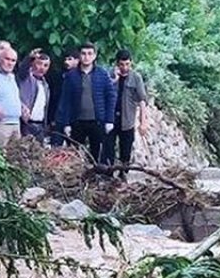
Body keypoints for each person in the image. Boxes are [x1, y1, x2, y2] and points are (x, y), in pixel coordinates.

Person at [54, 42, 116, 163]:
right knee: (75, 155)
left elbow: (111, 96)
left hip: (97, 121)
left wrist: (109, 120)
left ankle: (97, 179)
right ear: (79, 55)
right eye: (83, 53)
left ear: (94, 56)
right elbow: (65, 101)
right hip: (77, 122)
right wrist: (66, 123)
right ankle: (78, 180)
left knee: (97, 155)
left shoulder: (102, 74)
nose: (86, 57)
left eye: (89, 53)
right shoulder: (71, 76)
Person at [103, 49, 149, 180]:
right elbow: (103, 93)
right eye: (122, 64)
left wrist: (143, 122)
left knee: (126, 150)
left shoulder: (136, 78)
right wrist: (115, 79)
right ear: (117, 64)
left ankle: (124, 175)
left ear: (131, 63)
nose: (124, 68)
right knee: (108, 149)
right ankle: (108, 175)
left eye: (127, 64)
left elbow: (142, 100)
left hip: (127, 120)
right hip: (111, 119)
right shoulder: (109, 75)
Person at [19, 50, 52, 140]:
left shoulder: (45, 84)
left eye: (46, 65)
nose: (42, 68)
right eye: (39, 64)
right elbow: (22, 69)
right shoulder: (25, 78)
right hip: (26, 124)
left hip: (40, 125)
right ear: (33, 63)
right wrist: (30, 58)